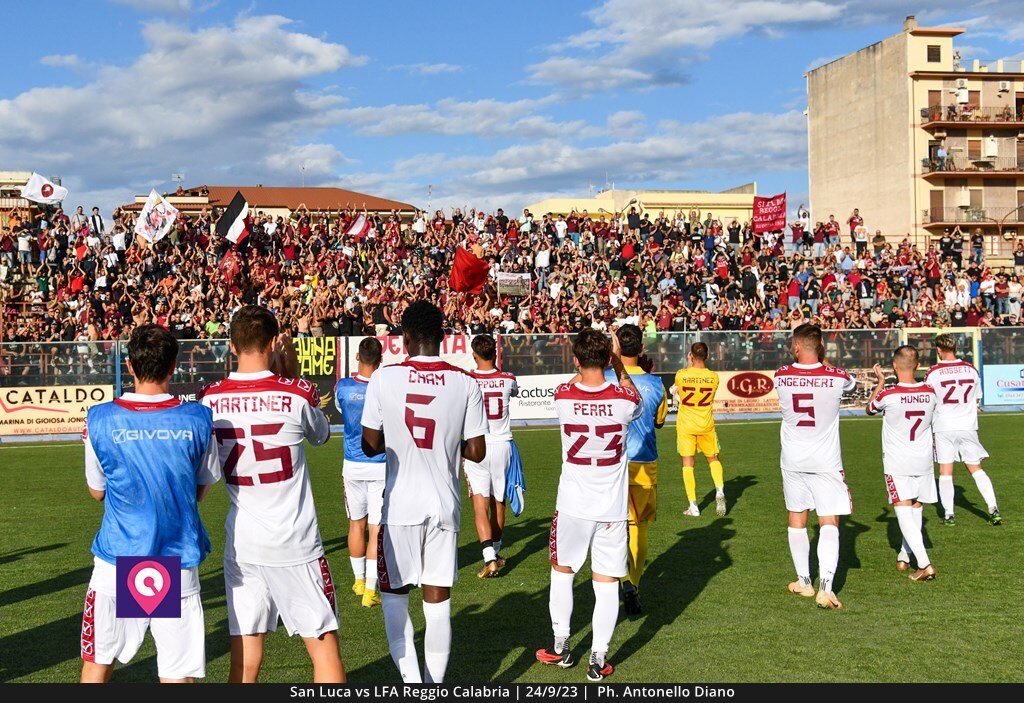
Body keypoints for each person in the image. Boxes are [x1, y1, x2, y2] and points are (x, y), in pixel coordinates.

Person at [198, 305, 344, 683]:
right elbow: (321, 435)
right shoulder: (297, 392)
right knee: (324, 650)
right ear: (275, 341)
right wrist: (291, 374)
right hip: (295, 542)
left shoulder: (209, 399)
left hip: (243, 541)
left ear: (232, 345)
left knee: (244, 659)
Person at [80, 324, 220, 683]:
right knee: (178, 674)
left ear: (129, 366)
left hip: (117, 557)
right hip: (174, 558)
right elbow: (201, 487)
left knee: (98, 666)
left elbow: (97, 491)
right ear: (173, 366)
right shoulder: (199, 418)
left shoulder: (100, 418)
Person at [361, 300, 488, 684]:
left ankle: (414, 687)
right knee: (437, 607)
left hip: (400, 506)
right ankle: (433, 688)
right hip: (444, 505)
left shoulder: (384, 378)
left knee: (396, 601)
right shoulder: (466, 381)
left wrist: (400, 438)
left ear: (405, 339)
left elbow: (369, 443)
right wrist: (447, 444)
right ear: (442, 338)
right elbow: (478, 451)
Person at [536, 328, 642, 682]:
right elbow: (634, 398)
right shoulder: (624, 399)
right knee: (606, 582)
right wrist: (617, 364)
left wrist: (586, 364)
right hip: (611, 508)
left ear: (577, 360)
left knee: (562, 573)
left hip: (572, 505)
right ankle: (598, 659)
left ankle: (561, 647)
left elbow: (572, 384)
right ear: (609, 359)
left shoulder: (563, 395)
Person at [774, 323, 857, 610]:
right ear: (820, 347)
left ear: (795, 347)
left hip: (793, 459)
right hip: (826, 460)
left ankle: (804, 582)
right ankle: (826, 588)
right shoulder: (837, 377)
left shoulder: (782, 376)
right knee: (829, 521)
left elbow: (798, 369)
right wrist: (822, 358)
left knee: (797, 518)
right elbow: (851, 383)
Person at [604, 324, 667, 615]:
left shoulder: (605, 378)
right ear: (641, 349)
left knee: (610, 527)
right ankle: (634, 584)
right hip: (644, 462)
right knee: (639, 527)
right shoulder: (656, 384)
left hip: (611, 462)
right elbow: (659, 421)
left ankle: (620, 581)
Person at [866, 346, 938, 581]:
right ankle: (904, 555)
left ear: (895, 366)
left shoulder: (889, 394)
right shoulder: (930, 392)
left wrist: (880, 381)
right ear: (917, 365)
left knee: (902, 508)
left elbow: (869, 409)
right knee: (916, 506)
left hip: (898, 460)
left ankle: (925, 564)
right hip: (924, 458)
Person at [925, 334, 1001, 526]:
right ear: (956, 348)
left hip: (943, 426)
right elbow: (977, 399)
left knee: (945, 471)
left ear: (939, 350)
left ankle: (949, 515)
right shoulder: (971, 370)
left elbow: (928, 401)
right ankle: (993, 508)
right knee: (975, 468)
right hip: (967, 426)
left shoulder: (933, 372)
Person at [334, 337, 385, 607]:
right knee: (376, 528)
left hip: (352, 464)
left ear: (357, 357)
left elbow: (341, 410)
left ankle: (359, 580)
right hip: (379, 462)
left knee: (356, 524)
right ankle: (371, 590)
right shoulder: (385, 387)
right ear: (380, 359)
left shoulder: (343, 387)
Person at [464, 334, 521, 578]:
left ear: (475, 354)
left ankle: (489, 558)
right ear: (495, 353)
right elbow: (514, 392)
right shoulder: (508, 378)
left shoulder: (468, 379)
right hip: (502, 444)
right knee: (499, 502)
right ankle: (495, 554)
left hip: (477, 445)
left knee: (480, 504)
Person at [674, 342, 726, 517]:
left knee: (688, 463)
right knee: (713, 459)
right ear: (708, 355)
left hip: (686, 425)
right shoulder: (713, 377)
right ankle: (719, 490)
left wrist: (689, 364)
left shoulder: (681, 375)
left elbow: (679, 387)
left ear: (690, 355)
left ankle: (693, 506)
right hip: (706, 424)